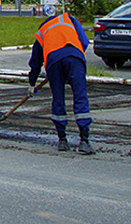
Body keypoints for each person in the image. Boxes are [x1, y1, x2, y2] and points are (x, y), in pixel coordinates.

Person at [28, 8, 93, 154]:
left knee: (58, 98)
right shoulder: (69, 20)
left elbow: (35, 61)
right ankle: (84, 141)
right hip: (75, 57)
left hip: (53, 61)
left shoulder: (43, 30)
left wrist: (32, 83)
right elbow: (84, 41)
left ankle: (62, 140)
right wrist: (75, 57)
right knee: (80, 96)